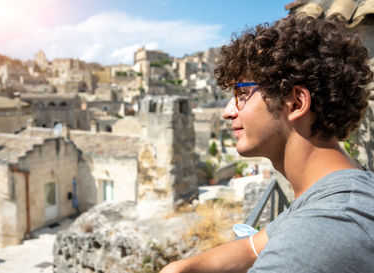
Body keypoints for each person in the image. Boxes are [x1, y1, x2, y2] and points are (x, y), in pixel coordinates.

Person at [160, 14, 374, 273]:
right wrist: (182, 268)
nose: (228, 111)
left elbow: (294, 245)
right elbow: (253, 246)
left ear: (296, 103)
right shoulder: (345, 190)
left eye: (242, 94)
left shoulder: (312, 241)